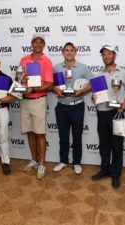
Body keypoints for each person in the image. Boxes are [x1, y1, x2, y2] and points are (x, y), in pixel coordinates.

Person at [91, 44, 125, 189]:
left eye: (109, 53)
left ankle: (116, 175)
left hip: (117, 113)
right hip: (101, 112)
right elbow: (95, 94)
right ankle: (105, 169)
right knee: (104, 144)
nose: (107, 56)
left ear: (114, 55)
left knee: (117, 146)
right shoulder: (98, 74)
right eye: (104, 54)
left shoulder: (123, 73)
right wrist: (94, 97)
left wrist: (124, 104)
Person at [52, 42, 93, 174]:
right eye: (66, 50)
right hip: (62, 107)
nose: (69, 53)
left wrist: (83, 92)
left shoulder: (83, 68)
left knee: (77, 136)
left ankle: (76, 162)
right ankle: (63, 161)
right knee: (63, 136)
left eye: (71, 50)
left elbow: (92, 84)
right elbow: (51, 84)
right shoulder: (57, 67)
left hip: (77, 106)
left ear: (75, 52)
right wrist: (55, 90)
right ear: (62, 52)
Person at [19, 33, 53, 180]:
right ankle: (33, 159)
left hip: (39, 100)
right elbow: (18, 79)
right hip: (25, 100)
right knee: (29, 132)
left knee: (39, 133)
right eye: (35, 42)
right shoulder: (23, 59)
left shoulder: (46, 61)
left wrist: (33, 89)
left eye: (41, 42)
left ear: (43, 45)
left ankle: (42, 164)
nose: (38, 44)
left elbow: (49, 84)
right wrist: (21, 78)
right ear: (31, 43)